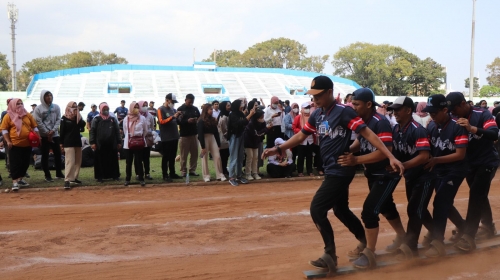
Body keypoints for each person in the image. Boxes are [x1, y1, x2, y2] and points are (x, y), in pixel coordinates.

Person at [262, 76, 404, 271]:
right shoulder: (317, 114)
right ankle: (363, 240)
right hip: (331, 169)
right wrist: (279, 149)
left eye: (319, 95)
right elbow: (302, 135)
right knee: (340, 210)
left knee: (317, 209)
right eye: (313, 95)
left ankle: (330, 254)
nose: (315, 99)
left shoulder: (344, 112)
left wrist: (390, 156)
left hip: (341, 169)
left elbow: (367, 134)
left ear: (330, 92)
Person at [338, 88, 406, 269]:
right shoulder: (364, 121)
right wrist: (349, 150)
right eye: (352, 103)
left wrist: (356, 160)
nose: (353, 107)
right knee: (385, 205)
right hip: (374, 173)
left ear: (369, 104)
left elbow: (386, 152)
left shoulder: (380, 122)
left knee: (369, 210)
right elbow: (362, 141)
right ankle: (403, 236)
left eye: (356, 104)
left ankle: (369, 252)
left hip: (386, 173)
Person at [445, 92, 499, 252]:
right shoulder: (453, 118)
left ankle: (469, 235)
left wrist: (472, 128)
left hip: (487, 161)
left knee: (476, 194)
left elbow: (494, 134)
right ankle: (488, 227)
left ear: (463, 104)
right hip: (469, 163)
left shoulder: (482, 114)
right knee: (480, 194)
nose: (452, 112)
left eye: (454, 108)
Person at [420, 94, 468, 258]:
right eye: (429, 113)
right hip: (438, 169)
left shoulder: (457, 126)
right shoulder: (432, 127)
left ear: (445, 110)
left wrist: (436, 160)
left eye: (434, 113)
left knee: (440, 202)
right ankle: (464, 227)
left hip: (455, 170)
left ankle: (437, 242)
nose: (431, 116)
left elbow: (460, 155)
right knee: (444, 203)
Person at [386, 97, 435, 257]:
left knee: (414, 209)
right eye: (393, 109)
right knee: (420, 209)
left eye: (398, 109)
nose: (395, 112)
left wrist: (403, 165)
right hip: (411, 176)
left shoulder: (417, 129)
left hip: (424, 177)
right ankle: (437, 233)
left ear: (408, 110)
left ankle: (410, 245)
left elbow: (424, 156)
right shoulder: (396, 129)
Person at [0, 98, 38, 191]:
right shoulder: (8, 116)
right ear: (12, 105)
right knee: (14, 164)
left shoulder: (27, 115)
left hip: (27, 144)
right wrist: (8, 141)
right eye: (18, 104)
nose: (20, 105)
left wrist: (38, 137)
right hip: (14, 144)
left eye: (21, 103)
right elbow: (4, 129)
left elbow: (34, 127)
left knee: (25, 163)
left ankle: (20, 179)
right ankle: (15, 182)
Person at [33, 90, 64, 182]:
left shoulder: (56, 107)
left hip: (55, 134)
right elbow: (38, 122)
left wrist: (53, 130)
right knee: (45, 155)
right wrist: (47, 132)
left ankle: (59, 173)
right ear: (43, 97)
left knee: (58, 154)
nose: (49, 97)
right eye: (47, 96)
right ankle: (47, 175)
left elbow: (59, 119)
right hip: (43, 135)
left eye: (50, 95)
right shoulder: (38, 109)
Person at [90, 102, 122, 182]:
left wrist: (119, 142)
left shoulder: (112, 119)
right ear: (100, 109)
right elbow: (92, 131)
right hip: (100, 144)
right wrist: (92, 142)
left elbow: (117, 131)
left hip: (112, 143)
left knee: (113, 160)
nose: (106, 110)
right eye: (104, 109)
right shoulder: (96, 119)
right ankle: (100, 177)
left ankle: (115, 176)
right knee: (100, 161)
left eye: (107, 109)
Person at [59, 101, 86, 190]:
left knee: (78, 161)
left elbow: (83, 125)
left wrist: (78, 116)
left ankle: (74, 178)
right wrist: (61, 144)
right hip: (68, 142)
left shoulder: (77, 118)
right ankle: (67, 180)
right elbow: (62, 132)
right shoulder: (64, 118)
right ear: (68, 107)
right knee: (70, 161)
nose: (75, 108)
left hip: (77, 142)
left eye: (76, 107)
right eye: (73, 107)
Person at [227, 99, 254, 186]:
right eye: (240, 104)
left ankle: (239, 175)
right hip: (234, 136)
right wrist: (250, 115)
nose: (242, 105)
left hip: (241, 135)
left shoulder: (240, 113)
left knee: (240, 157)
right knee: (234, 157)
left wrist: (248, 115)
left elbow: (245, 123)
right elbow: (240, 123)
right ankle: (231, 177)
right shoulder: (232, 115)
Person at [197, 103, 225, 182]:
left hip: (212, 137)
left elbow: (216, 132)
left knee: (217, 156)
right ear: (206, 110)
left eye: (212, 109)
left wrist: (218, 144)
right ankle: (206, 176)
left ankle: (219, 174)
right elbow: (200, 133)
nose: (212, 111)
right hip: (204, 138)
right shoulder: (201, 120)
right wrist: (203, 146)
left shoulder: (213, 120)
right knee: (204, 158)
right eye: (210, 109)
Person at [157, 93, 182, 182]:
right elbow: (161, 121)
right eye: (172, 101)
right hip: (166, 137)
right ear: (167, 100)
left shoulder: (173, 109)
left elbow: (176, 121)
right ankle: (165, 174)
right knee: (166, 157)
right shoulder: (160, 109)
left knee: (172, 156)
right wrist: (172, 117)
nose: (173, 103)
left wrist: (178, 116)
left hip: (174, 136)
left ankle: (172, 173)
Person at [123, 102, 148, 186]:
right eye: (135, 107)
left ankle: (141, 178)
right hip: (129, 143)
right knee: (128, 162)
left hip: (139, 142)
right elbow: (125, 130)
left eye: (137, 107)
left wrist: (139, 137)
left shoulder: (142, 118)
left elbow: (145, 130)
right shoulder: (126, 118)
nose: (136, 109)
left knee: (139, 161)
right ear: (131, 108)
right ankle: (127, 178)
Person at [176, 94, 201, 177]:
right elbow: (178, 121)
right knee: (184, 154)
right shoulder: (180, 109)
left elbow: (199, 118)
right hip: (184, 135)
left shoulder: (195, 109)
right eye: (189, 102)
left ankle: (192, 170)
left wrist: (195, 120)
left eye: (192, 102)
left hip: (194, 134)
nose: (191, 103)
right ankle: (183, 170)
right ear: (185, 100)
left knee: (194, 154)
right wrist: (187, 121)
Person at [244, 109, 269, 181]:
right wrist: (266, 129)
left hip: (256, 142)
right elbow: (257, 134)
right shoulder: (251, 124)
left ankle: (255, 173)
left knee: (255, 158)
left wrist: (266, 129)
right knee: (250, 157)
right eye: (261, 116)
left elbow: (263, 132)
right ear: (257, 117)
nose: (263, 118)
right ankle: (247, 173)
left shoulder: (262, 123)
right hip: (248, 142)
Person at [293, 102, 315, 177]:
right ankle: (300, 171)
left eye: (308, 108)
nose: (307, 110)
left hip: (310, 139)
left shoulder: (311, 117)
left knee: (309, 156)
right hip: (301, 139)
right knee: (301, 156)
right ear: (302, 109)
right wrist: (301, 131)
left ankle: (310, 171)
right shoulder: (298, 117)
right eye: (306, 108)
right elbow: (294, 127)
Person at [136, 100, 155, 180]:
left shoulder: (149, 115)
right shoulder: (136, 115)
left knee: (146, 157)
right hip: (138, 139)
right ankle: (138, 174)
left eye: (146, 105)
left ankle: (147, 173)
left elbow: (152, 126)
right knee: (138, 158)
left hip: (147, 140)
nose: (145, 107)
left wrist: (149, 132)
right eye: (143, 105)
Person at [217, 101, 231, 177]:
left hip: (225, 139)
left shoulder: (227, 115)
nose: (230, 107)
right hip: (223, 140)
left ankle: (224, 169)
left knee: (225, 156)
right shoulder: (223, 117)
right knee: (224, 156)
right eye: (228, 105)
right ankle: (223, 170)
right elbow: (224, 130)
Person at [283, 102, 299, 166]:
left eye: (297, 107)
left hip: (296, 136)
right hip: (289, 135)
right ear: (292, 108)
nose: (296, 109)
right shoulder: (288, 115)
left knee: (295, 151)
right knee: (289, 152)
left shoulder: (299, 116)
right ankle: (289, 165)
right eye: (294, 107)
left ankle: (293, 165)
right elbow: (287, 125)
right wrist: (294, 126)